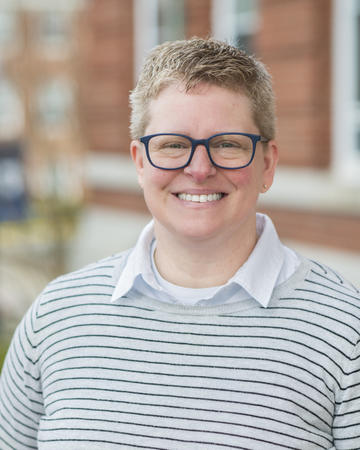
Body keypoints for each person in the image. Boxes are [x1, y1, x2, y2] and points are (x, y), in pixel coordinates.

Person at [1, 37, 359, 450]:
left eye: (227, 144)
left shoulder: (345, 333)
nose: (199, 169)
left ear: (267, 163)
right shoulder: (57, 316)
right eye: (173, 145)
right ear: (139, 161)